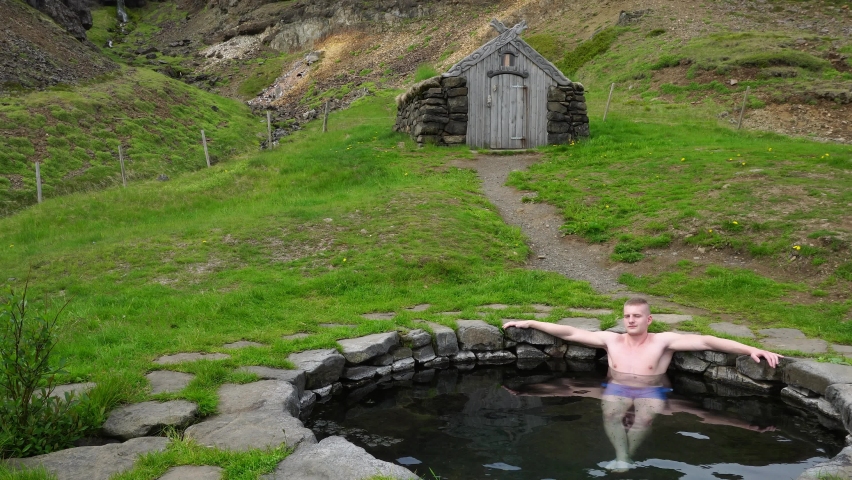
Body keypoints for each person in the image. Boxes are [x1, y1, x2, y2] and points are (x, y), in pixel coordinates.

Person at [503, 297, 781, 471]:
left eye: (636, 316)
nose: (631, 321)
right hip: (616, 387)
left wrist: (749, 349)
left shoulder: (664, 341)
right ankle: (622, 457)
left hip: (653, 389)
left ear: (648, 319)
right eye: (627, 316)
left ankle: (625, 458)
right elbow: (572, 332)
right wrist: (531, 322)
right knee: (612, 413)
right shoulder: (611, 340)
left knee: (645, 418)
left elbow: (708, 340)